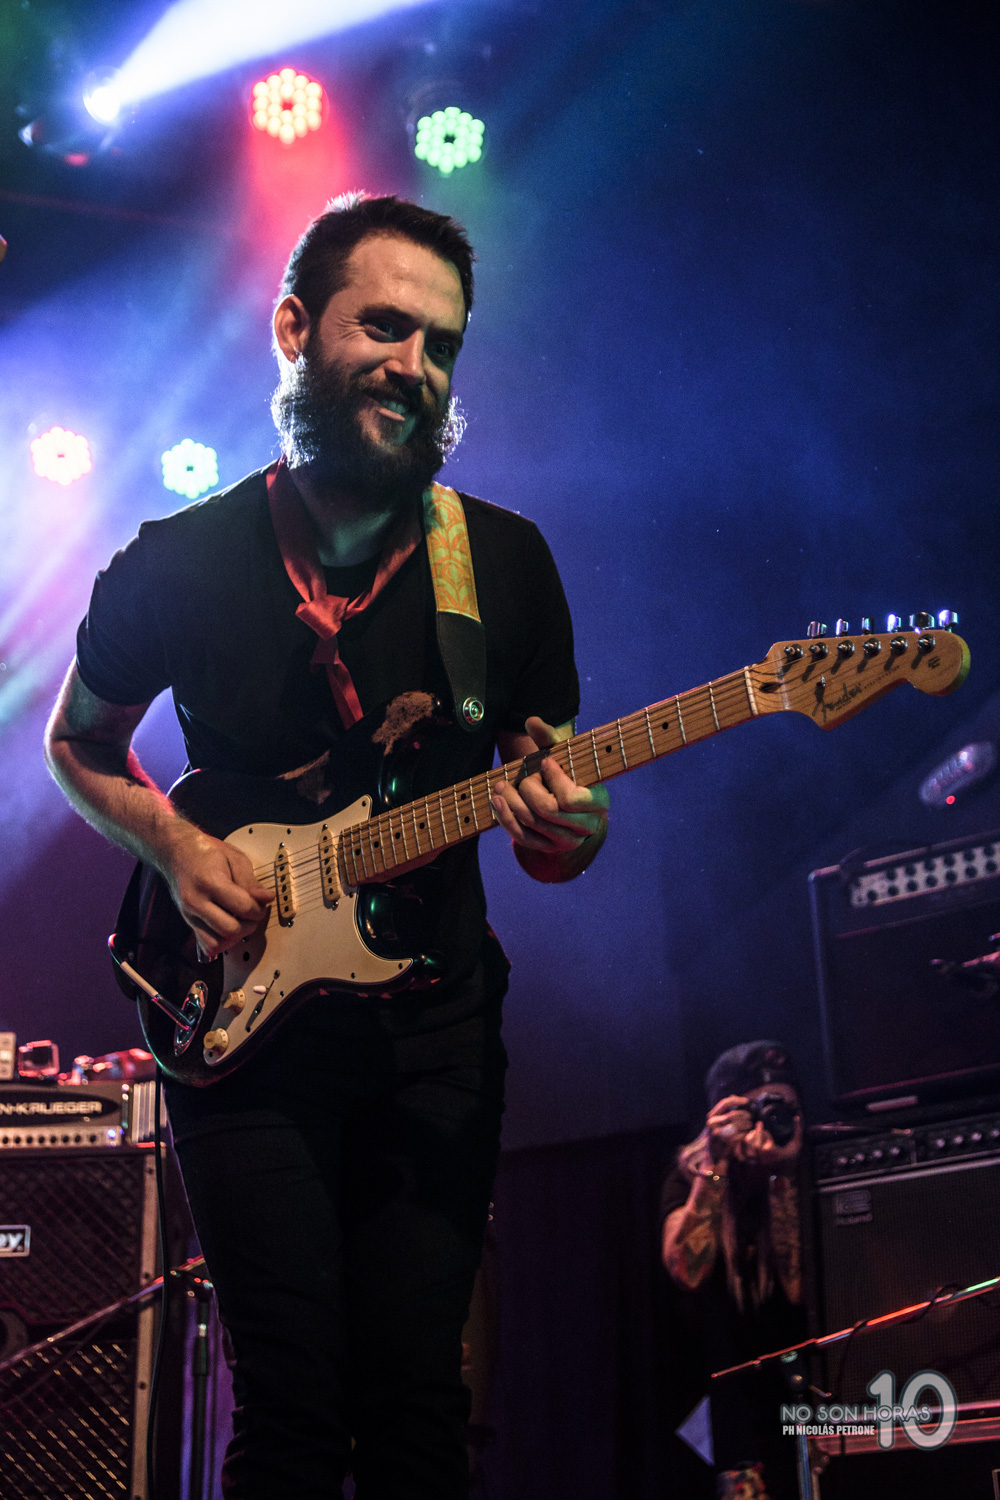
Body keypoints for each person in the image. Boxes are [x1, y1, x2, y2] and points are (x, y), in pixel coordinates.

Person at [44, 193, 609, 1499]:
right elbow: (77, 745)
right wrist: (173, 842)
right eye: (387, 327)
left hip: (435, 1027)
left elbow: (551, 814)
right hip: (242, 1026)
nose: (417, 366)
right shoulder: (178, 564)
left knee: (420, 1409)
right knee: (291, 1410)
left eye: (443, 344)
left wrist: (571, 830)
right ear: (296, 327)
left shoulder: (503, 564)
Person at [661, 1041, 806, 1500]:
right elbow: (686, 1272)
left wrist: (782, 1176)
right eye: (760, 1109)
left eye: (786, 1108)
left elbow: (798, 1291)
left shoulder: (808, 1170)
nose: (772, 1120)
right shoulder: (691, 1174)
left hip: (803, 1401)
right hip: (726, 1409)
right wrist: (716, 1162)